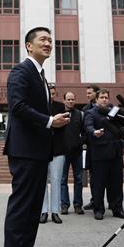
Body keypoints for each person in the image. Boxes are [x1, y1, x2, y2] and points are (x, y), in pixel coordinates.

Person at [2, 27, 70, 247]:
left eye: (51, 40)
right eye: (43, 39)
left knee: (32, 210)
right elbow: (17, 106)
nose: (48, 43)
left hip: (40, 151)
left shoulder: (41, 76)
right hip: (24, 150)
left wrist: (55, 120)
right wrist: (50, 121)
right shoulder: (21, 71)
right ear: (28, 46)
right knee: (21, 207)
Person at [84, 88, 124, 220]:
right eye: (101, 97)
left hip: (115, 152)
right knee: (98, 183)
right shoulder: (91, 113)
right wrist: (94, 132)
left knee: (116, 183)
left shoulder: (114, 111)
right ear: (96, 99)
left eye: (106, 97)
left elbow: (123, 128)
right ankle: (98, 209)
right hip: (99, 154)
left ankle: (117, 209)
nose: (104, 99)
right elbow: (88, 126)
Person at [40, 85, 66, 224]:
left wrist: (49, 123)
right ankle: (43, 211)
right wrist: (52, 122)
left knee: (56, 180)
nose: (51, 96)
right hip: (41, 149)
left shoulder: (61, 107)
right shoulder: (38, 106)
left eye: (53, 93)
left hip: (58, 149)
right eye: (49, 93)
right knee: (42, 181)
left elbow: (62, 125)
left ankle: (55, 212)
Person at [60, 91, 85, 215]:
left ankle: (77, 205)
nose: (70, 101)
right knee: (62, 179)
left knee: (79, 179)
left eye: (72, 99)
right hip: (63, 153)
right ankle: (64, 205)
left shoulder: (80, 114)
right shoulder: (59, 115)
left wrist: (80, 142)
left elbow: (85, 132)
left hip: (77, 152)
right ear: (64, 100)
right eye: (68, 99)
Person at [82, 84, 99, 211]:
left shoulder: (108, 107)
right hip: (92, 147)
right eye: (87, 93)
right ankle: (95, 201)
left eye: (90, 93)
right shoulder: (85, 109)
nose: (87, 95)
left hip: (107, 147)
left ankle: (113, 203)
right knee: (93, 177)